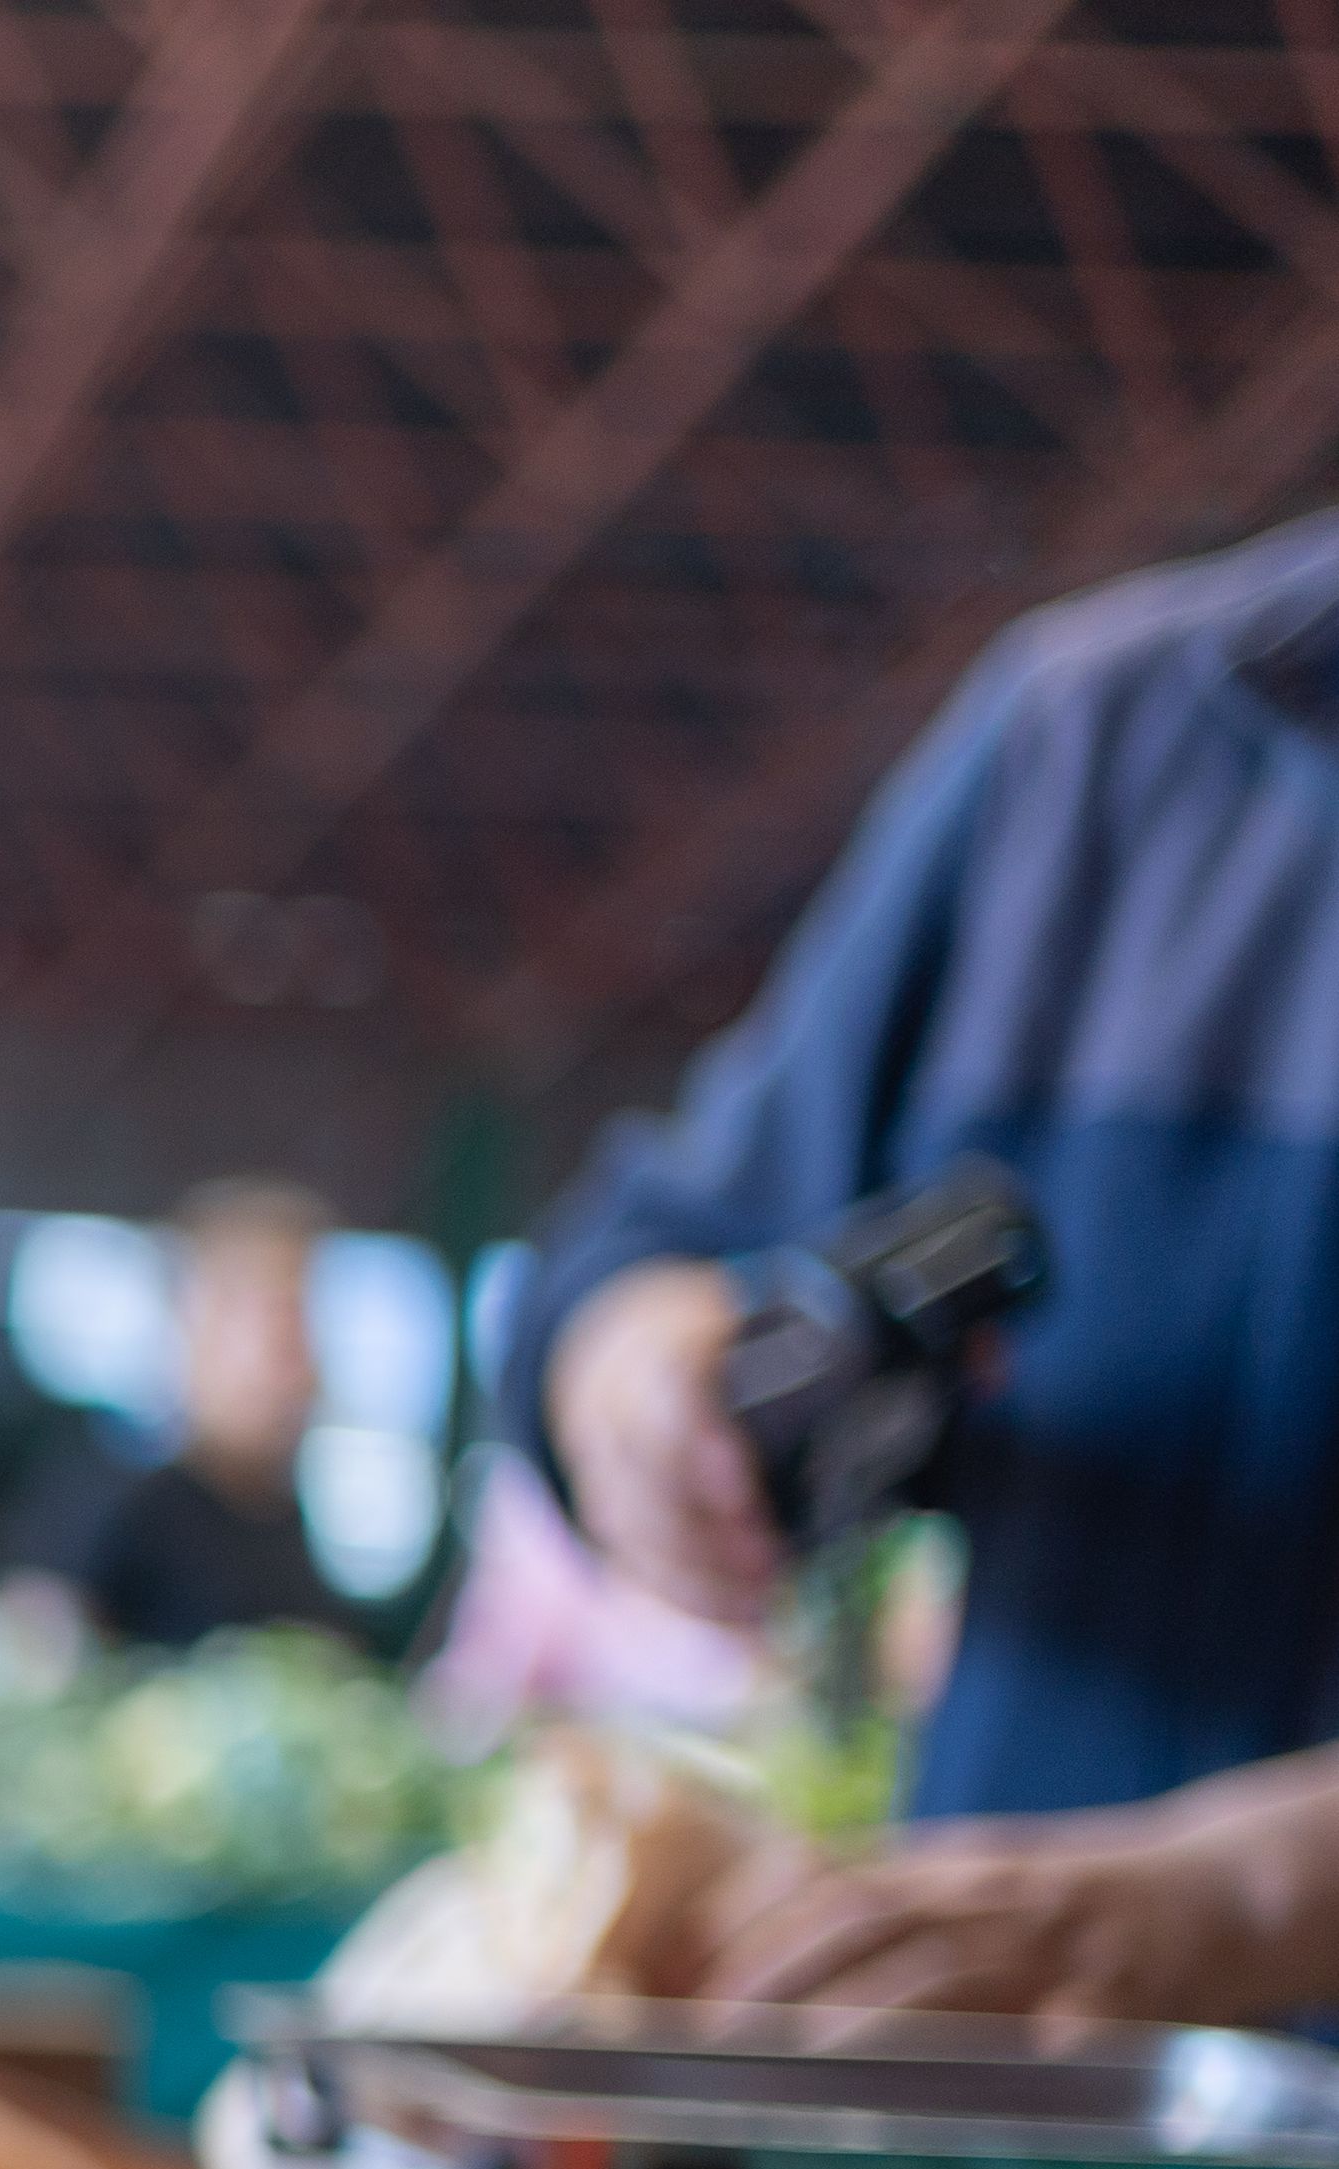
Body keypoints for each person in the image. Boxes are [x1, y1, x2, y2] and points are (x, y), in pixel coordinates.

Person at [518, 507, 1339, 2011]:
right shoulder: (1096, 741)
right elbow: (661, 1240)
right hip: (1009, 2087)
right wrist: (635, 1376)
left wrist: (1242, 1899)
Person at [46, 1179, 370, 1651]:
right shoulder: (119, 1506)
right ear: (200, 1321)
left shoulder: (280, 1511)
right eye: (283, 1324)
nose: (309, 1364)